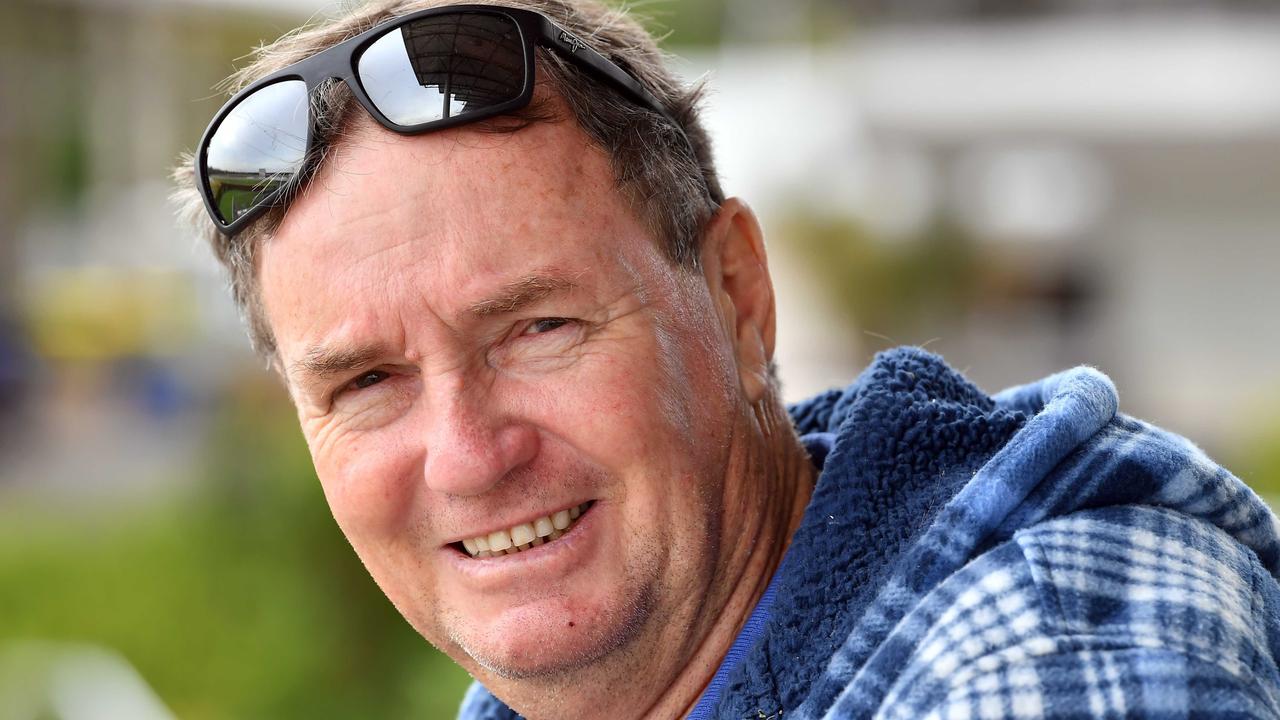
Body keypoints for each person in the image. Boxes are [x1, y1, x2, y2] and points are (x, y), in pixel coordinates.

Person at [172, 1, 1280, 717]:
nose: (466, 458)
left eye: (536, 328)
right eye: (366, 383)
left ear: (740, 299)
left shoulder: (1042, 662)